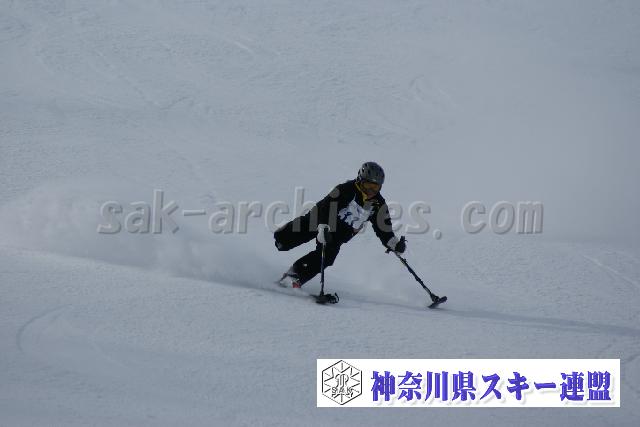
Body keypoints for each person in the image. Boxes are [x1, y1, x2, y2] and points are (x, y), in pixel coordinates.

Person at [274, 161, 406, 288]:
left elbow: (383, 227)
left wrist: (393, 243)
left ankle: (294, 277)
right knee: (283, 240)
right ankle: (281, 238)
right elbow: (326, 207)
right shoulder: (345, 189)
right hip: (319, 219)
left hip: (338, 234)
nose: (371, 190)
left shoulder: (378, 204)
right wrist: (323, 227)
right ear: (360, 180)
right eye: (368, 185)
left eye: (375, 187)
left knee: (326, 257)